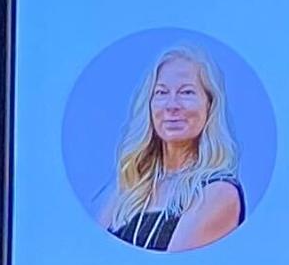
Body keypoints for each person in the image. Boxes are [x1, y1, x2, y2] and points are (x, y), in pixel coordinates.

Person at [97, 47, 245, 253]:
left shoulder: (218, 192)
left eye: (186, 92)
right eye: (161, 92)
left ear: (209, 105)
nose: (171, 105)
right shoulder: (128, 188)